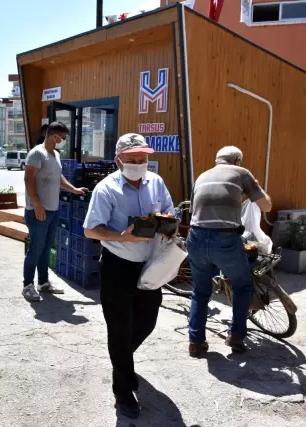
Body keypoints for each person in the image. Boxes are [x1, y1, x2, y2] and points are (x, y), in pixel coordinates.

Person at [83, 133, 175, 419]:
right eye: (132, 160)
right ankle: (123, 391)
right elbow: (90, 230)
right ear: (119, 161)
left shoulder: (156, 183)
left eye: (143, 159)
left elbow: (171, 213)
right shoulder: (106, 189)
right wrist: (122, 237)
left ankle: (121, 360)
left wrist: (166, 224)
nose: (138, 164)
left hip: (149, 266)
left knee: (147, 322)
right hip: (117, 267)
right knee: (120, 330)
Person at [186, 146, 273, 357]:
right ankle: (235, 336)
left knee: (200, 291)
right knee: (242, 285)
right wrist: (257, 189)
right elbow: (266, 206)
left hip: (196, 237)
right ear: (238, 161)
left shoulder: (202, 176)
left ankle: (196, 343)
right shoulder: (241, 173)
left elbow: (194, 211)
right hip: (225, 238)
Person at [23, 121, 88, 301]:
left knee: (45, 249)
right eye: (63, 138)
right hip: (38, 211)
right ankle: (27, 285)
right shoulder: (37, 153)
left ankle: (43, 283)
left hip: (52, 209)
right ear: (54, 136)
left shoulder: (55, 155)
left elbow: (58, 177)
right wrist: (36, 204)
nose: (64, 141)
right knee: (35, 249)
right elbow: (28, 180)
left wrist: (73, 189)